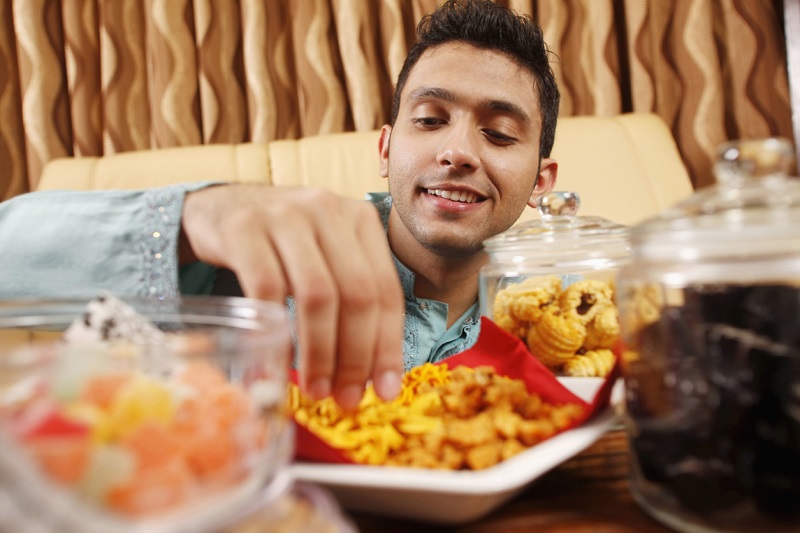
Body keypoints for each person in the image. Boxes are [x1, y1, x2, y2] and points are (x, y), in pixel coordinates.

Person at [0, 0, 559, 410]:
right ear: (386, 150)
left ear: (542, 181)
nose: (457, 151)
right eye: (431, 121)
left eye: (501, 134)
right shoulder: (261, 254)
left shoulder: (569, 305)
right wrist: (194, 220)